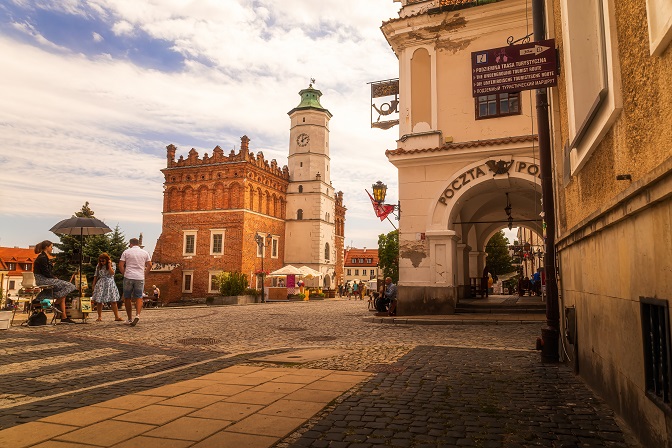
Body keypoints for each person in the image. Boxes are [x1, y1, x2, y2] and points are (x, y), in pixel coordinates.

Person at [33, 240, 77, 324]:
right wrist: (54, 278)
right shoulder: (42, 258)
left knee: (63, 294)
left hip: (45, 278)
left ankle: (64, 317)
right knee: (70, 286)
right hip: (43, 279)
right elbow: (45, 272)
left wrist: (54, 277)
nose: (52, 249)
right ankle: (56, 303)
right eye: (51, 247)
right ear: (46, 247)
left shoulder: (44, 257)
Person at [118, 238, 152, 327]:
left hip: (128, 276)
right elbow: (150, 265)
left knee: (127, 298)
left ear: (131, 244)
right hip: (140, 277)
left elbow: (121, 265)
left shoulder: (126, 252)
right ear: (138, 244)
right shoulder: (145, 253)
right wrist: (145, 274)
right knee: (139, 297)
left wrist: (124, 273)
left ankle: (129, 319)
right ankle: (137, 315)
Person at [91, 253, 122, 322]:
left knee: (113, 301)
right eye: (101, 261)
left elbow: (112, 273)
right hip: (101, 283)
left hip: (110, 283)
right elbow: (96, 275)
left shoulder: (112, 264)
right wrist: (93, 284)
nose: (102, 262)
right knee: (99, 301)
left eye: (103, 261)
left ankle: (116, 316)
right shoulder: (99, 266)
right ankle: (99, 317)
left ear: (107, 260)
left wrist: (109, 265)